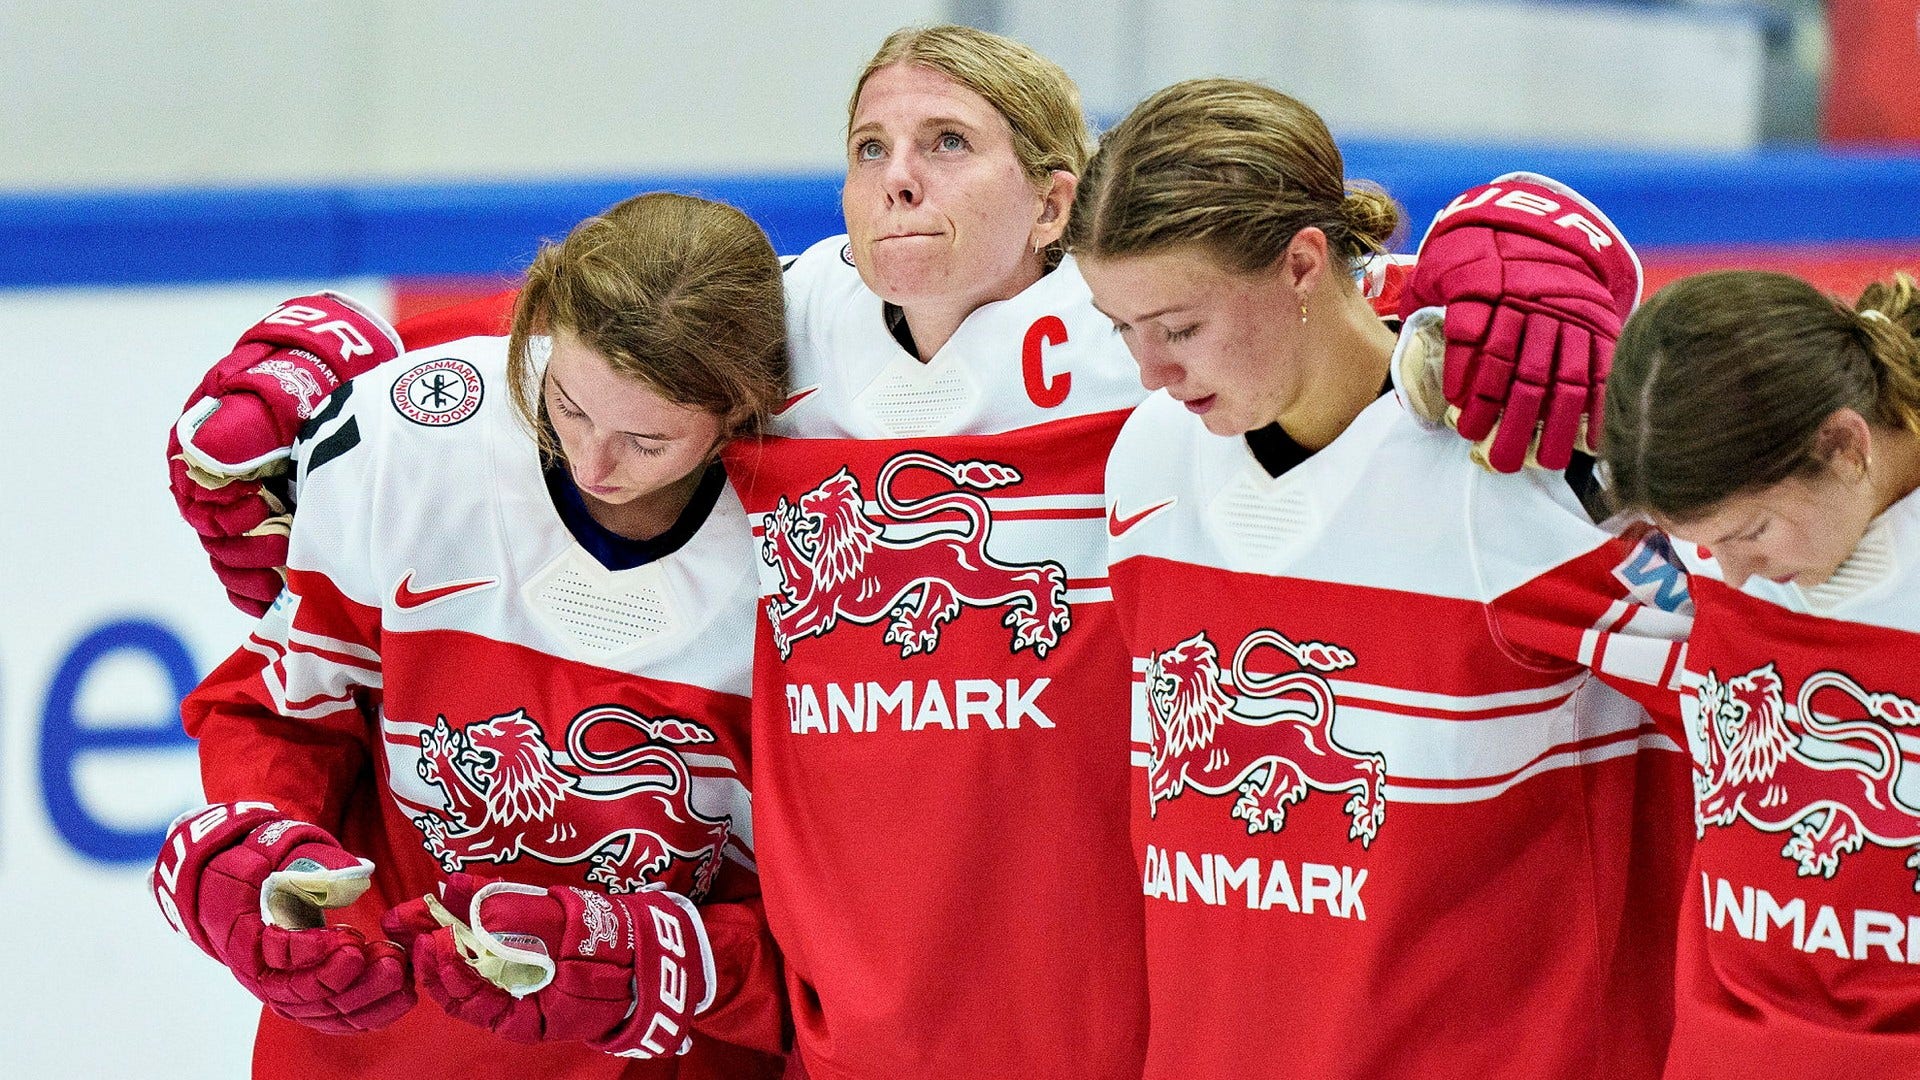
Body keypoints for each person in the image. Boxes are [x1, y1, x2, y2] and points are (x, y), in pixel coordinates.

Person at [160, 25, 1631, 1080]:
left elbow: (1353, 307)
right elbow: (581, 362)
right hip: (847, 1024)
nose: (897, 181)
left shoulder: (1148, 352)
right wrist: (327, 380)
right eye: (869, 147)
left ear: (1056, 201)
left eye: (946, 144)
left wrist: (1530, 235)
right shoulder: (779, 334)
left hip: (1104, 1019)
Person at [1066, 78, 1694, 1079]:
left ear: (1304, 263)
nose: (1149, 370)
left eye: (1179, 328)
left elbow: (1768, 688)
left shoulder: (1504, 475)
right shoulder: (1147, 455)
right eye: (1120, 328)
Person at [151, 192, 790, 1079]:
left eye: (647, 440)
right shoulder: (412, 445)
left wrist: (674, 965)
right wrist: (258, 839)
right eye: (566, 403)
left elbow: (848, 936)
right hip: (373, 1045)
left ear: (742, 410)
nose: (594, 462)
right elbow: (288, 710)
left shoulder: (809, 548)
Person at [1599, 270, 1920, 1080]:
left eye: (1754, 532)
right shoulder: (1722, 533)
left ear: (1847, 445)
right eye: (1703, 546)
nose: (1733, 580)